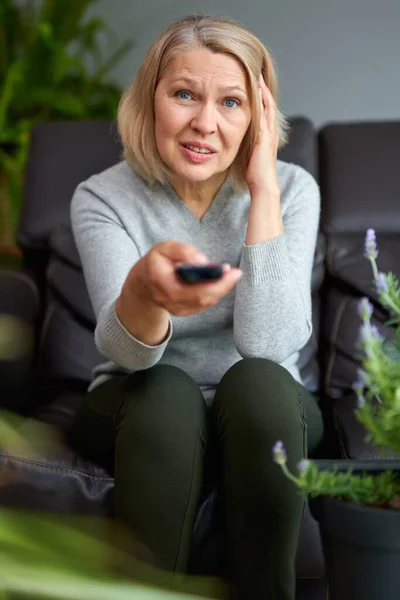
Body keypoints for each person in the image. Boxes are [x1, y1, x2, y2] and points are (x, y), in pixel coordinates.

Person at [70, 14, 324, 600]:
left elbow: (270, 344)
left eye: (231, 102)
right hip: (139, 396)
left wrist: (263, 188)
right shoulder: (102, 197)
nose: (204, 123)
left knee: (256, 381)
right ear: (150, 100)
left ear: (258, 116)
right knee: (166, 390)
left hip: (268, 404)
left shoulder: (292, 190)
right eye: (184, 94)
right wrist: (145, 291)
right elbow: (126, 356)